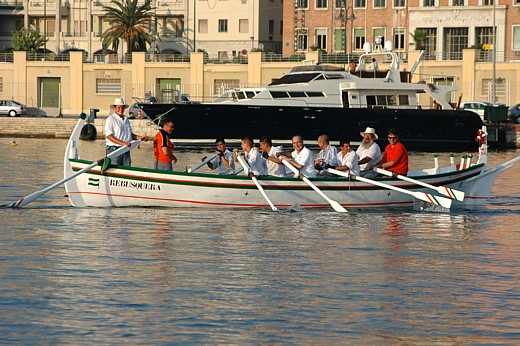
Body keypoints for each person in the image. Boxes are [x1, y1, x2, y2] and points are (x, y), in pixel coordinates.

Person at [104, 97, 148, 166]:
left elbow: (129, 135)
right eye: (118, 107)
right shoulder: (111, 119)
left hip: (126, 149)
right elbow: (109, 136)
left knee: (126, 167)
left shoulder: (126, 119)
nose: (120, 109)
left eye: (122, 108)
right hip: (115, 149)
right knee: (114, 169)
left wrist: (140, 138)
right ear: (115, 108)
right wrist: (123, 143)